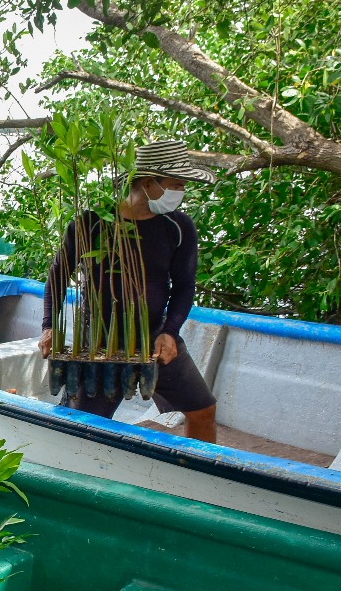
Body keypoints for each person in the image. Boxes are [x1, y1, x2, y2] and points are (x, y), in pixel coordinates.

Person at [39, 139, 218, 442]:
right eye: (176, 184)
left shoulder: (179, 227)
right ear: (149, 183)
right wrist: (47, 327)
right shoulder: (92, 222)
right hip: (98, 344)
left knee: (203, 410)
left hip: (155, 336)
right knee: (82, 428)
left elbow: (185, 286)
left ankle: (195, 481)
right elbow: (58, 276)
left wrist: (170, 332)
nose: (181, 192)